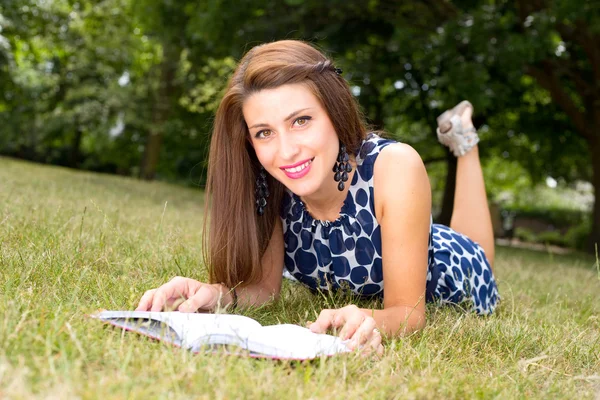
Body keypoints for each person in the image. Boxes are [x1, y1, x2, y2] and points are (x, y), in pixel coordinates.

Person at [135, 40, 499, 355]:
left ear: (334, 111)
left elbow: (408, 312)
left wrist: (371, 317)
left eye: (300, 121)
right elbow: (265, 290)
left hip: (450, 268)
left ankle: (463, 139)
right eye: (264, 132)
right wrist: (216, 294)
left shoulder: (395, 166)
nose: (286, 151)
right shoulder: (269, 180)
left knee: (477, 247)